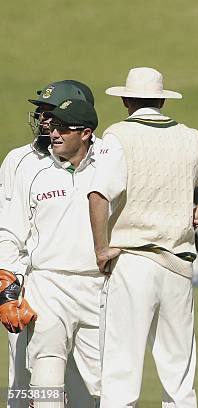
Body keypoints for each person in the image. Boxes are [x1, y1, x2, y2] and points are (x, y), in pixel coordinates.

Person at [88, 67, 198, 407]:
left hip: (132, 261)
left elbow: (98, 195)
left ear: (124, 99)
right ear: (162, 99)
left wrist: (101, 248)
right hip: (178, 264)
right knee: (179, 376)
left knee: (121, 371)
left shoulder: (118, 134)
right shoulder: (190, 137)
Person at [0, 81, 97, 408]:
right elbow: (8, 227)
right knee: (29, 382)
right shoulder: (19, 160)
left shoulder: (105, 159)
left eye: (51, 113)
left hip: (92, 285)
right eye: (41, 112)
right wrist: (7, 284)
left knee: (94, 386)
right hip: (34, 284)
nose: (42, 119)